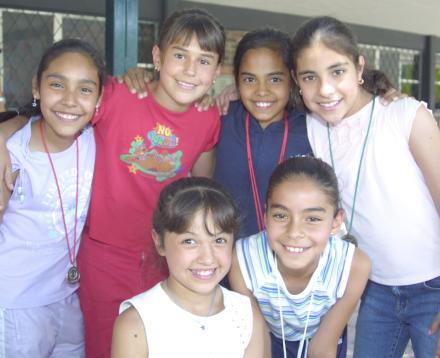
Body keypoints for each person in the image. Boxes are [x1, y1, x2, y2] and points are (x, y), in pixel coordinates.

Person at [0, 8, 225, 357]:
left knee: (160, 344)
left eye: (204, 60)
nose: (190, 70)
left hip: (166, 255)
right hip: (103, 257)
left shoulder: (208, 116)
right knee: (105, 346)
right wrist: (3, 132)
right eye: (180, 55)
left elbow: (201, 185)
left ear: (217, 72)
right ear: (157, 56)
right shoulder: (118, 95)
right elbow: (62, 112)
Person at [290, 16, 440, 357]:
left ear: (359, 68)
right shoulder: (312, 127)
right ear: (297, 82)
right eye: (310, 77)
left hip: (434, 286)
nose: (325, 89)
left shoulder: (404, 115)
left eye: (337, 71)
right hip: (376, 291)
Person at [121, 28, 313, 238]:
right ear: (236, 81)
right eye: (249, 79)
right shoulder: (220, 117)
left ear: (293, 78)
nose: (261, 91)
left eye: (275, 79)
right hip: (223, 259)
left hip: (292, 256)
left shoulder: (312, 129)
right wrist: (144, 78)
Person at [0, 38, 104, 357]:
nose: (70, 101)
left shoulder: (95, 139)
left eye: (85, 89)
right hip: (17, 304)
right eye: (57, 84)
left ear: (100, 99)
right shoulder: (13, 152)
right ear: (37, 87)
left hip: (68, 296)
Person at [229, 156, 371, 358]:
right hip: (271, 339)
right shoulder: (243, 261)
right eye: (280, 215)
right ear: (265, 215)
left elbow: (322, 349)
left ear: (335, 222)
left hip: (322, 339)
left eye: (312, 219)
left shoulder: (353, 266)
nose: (294, 232)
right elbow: (257, 343)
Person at [111, 176, 269, 357]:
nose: (207, 258)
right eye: (189, 241)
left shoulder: (245, 315)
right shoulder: (136, 324)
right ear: (159, 242)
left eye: (219, 240)